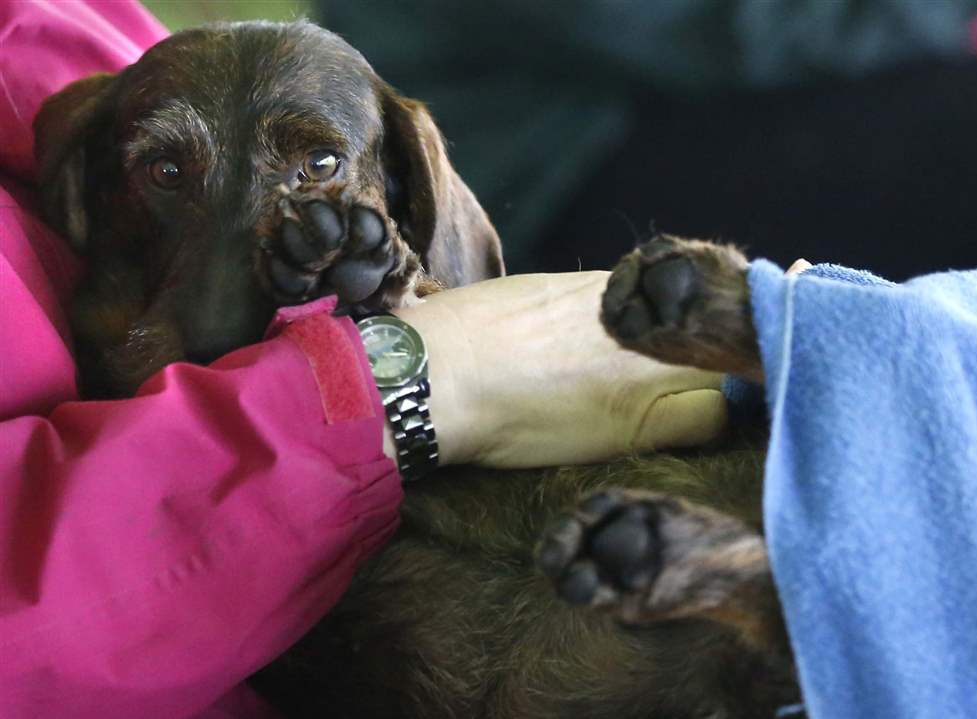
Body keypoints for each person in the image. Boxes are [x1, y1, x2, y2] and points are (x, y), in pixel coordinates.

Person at [0, 2, 726, 717]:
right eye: (165, 173)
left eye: (318, 163)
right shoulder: (87, 150)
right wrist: (430, 371)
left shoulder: (72, 35)